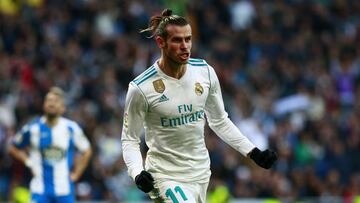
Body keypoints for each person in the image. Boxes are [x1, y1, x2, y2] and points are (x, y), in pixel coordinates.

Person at [121, 8, 277, 203]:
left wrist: (253, 152)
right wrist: (138, 172)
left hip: (200, 173)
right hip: (164, 176)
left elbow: (220, 121)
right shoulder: (141, 88)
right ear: (161, 42)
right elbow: (129, 139)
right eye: (177, 40)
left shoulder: (205, 73)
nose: (185, 46)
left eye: (188, 39)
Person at [8, 87, 92, 203]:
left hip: (64, 191)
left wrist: (77, 174)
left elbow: (87, 150)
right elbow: (13, 147)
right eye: (48, 100)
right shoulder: (32, 128)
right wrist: (27, 161)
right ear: (43, 105)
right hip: (39, 190)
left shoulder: (71, 128)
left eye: (56, 101)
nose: (52, 103)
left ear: (63, 108)